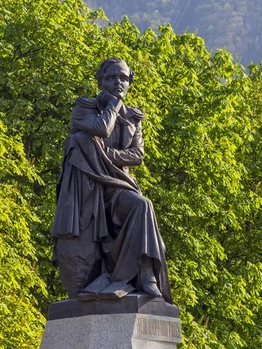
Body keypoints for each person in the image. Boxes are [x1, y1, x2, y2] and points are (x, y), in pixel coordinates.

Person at [51, 58, 172, 303]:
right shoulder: (84, 107)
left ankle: (146, 274)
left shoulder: (134, 118)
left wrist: (105, 155)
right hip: (89, 190)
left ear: (130, 82)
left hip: (119, 187)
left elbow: (137, 155)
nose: (119, 82)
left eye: (124, 78)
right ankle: (129, 274)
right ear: (100, 81)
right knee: (142, 206)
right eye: (112, 77)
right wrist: (114, 105)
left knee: (143, 205)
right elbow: (102, 129)